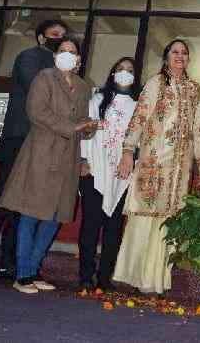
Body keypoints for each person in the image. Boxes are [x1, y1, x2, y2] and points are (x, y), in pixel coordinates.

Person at [0, 18, 69, 282]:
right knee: (2, 201)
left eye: (64, 37)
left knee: (25, 206)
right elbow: (40, 93)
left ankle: (8, 263)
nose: (61, 41)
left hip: (41, 144)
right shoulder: (29, 57)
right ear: (42, 38)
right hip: (18, 138)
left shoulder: (62, 70)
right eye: (55, 35)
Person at [0, 37, 97, 294]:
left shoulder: (83, 86)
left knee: (55, 217)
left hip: (68, 158)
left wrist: (89, 128)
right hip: (41, 153)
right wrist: (73, 127)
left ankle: (33, 269)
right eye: (62, 51)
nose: (67, 54)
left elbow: (83, 122)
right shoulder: (44, 77)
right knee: (31, 213)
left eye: (72, 52)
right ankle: (21, 275)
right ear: (55, 56)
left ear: (78, 59)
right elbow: (36, 112)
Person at [113, 39, 200, 295]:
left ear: (189, 59)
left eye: (184, 53)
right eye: (175, 52)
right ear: (166, 57)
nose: (180, 56)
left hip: (179, 168)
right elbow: (140, 117)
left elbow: (198, 126)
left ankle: (156, 280)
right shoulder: (156, 83)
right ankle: (134, 275)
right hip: (153, 163)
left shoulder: (194, 88)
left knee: (169, 220)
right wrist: (127, 151)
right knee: (146, 216)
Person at [78, 56, 138, 292]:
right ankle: (85, 275)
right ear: (113, 73)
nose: (125, 73)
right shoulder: (97, 99)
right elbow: (85, 132)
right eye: (121, 69)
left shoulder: (137, 106)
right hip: (94, 168)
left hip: (122, 174)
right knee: (91, 225)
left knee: (114, 228)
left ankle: (105, 277)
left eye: (130, 70)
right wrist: (83, 159)